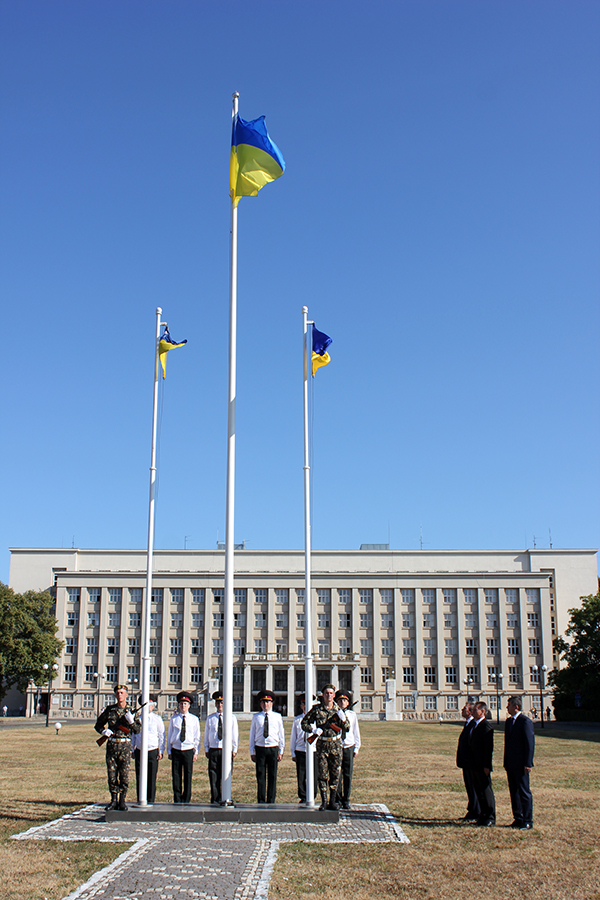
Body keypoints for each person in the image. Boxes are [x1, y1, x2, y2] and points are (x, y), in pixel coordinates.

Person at [301, 684, 350, 811]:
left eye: (331, 693)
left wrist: (343, 720)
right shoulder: (317, 709)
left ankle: (332, 801)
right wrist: (313, 729)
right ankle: (323, 801)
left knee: (335, 774)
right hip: (322, 745)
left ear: (334, 695)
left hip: (335, 745)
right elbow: (304, 723)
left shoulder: (338, 710)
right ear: (323, 695)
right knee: (322, 774)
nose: (329, 695)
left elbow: (347, 728)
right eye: (326, 693)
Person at [94, 683, 141, 811]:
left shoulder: (131, 711)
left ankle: (122, 800)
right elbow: (98, 725)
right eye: (118, 693)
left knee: (124, 774)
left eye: (122, 693)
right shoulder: (110, 710)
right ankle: (113, 799)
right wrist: (104, 732)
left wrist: (131, 722)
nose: (120, 695)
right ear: (115, 695)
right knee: (112, 774)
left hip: (125, 745)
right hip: (112, 744)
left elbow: (137, 730)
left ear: (126, 695)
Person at [504, 695, 535, 831]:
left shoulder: (525, 721)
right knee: (514, 791)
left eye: (509, 705)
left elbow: (529, 743)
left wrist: (528, 763)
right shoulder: (508, 722)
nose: (507, 707)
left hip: (521, 763)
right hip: (511, 763)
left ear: (516, 706)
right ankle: (518, 817)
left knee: (524, 791)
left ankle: (527, 820)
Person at [249, 689, 285, 803]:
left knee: (272, 775)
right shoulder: (256, 717)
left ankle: (271, 799)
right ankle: (261, 799)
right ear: (260, 704)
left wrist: (281, 750)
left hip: (273, 747)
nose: (266, 704)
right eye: (263, 702)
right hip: (260, 748)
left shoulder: (277, 717)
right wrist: (252, 751)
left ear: (272, 704)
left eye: (268, 702)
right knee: (260, 775)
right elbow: (252, 734)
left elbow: (281, 734)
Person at [204, 690, 238, 804]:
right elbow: (207, 734)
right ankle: (215, 798)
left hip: (226, 749)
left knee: (225, 775)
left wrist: (235, 749)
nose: (220, 705)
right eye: (218, 703)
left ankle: (225, 796)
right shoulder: (211, 718)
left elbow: (234, 734)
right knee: (214, 775)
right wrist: (206, 748)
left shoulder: (231, 718)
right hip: (214, 748)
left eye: (222, 703)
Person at [167, 691, 201, 803]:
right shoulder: (174, 719)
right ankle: (177, 798)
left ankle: (186, 798)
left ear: (189, 705)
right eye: (181, 704)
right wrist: (169, 750)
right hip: (176, 749)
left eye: (185, 704)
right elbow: (170, 735)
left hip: (188, 749)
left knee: (188, 774)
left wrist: (196, 752)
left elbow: (197, 736)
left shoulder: (194, 719)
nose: (183, 706)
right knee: (176, 775)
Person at [131, 694, 165, 804]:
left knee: (151, 776)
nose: (148, 707)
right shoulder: (138, 719)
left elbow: (161, 735)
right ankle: (140, 798)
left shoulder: (157, 719)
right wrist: (132, 749)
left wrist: (161, 750)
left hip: (152, 750)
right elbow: (134, 735)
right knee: (140, 776)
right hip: (140, 750)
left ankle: (151, 799)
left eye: (150, 705)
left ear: (153, 706)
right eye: (146, 705)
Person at [468, 700, 495, 826]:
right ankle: (482, 815)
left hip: (482, 765)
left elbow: (488, 748)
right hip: (474, 764)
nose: (473, 712)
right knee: (478, 790)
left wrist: (487, 766)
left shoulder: (485, 726)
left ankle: (490, 816)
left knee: (486, 791)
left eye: (475, 710)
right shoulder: (475, 725)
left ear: (482, 711)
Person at [335, 690, 361, 809]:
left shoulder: (352, 715)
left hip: (349, 746)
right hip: (337, 745)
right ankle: (338, 798)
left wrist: (356, 747)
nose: (342, 702)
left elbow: (356, 731)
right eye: (340, 700)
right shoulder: (334, 713)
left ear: (348, 702)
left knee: (348, 774)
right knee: (337, 774)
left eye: (344, 700)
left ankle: (346, 799)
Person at [456, 700, 480, 823]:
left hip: (471, 762)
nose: (462, 710)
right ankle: (472, 810)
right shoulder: (468, 724)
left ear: (470, 712)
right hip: (466, 762)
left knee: (473, 787)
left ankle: (476, 811)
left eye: (464, 709)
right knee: (469, 787)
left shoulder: (473, 725)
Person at [290, 695, 317, 803]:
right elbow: (293, 737)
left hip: (314, 750)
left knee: (314, 774)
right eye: (304, 704)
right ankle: (302, 795)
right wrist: (293, 752)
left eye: (308, 704)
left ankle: (313, 794)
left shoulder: (316, 720)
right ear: (301, 706)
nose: (306, 706)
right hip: (300, 750)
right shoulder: (297, 720)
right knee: (301, 774)